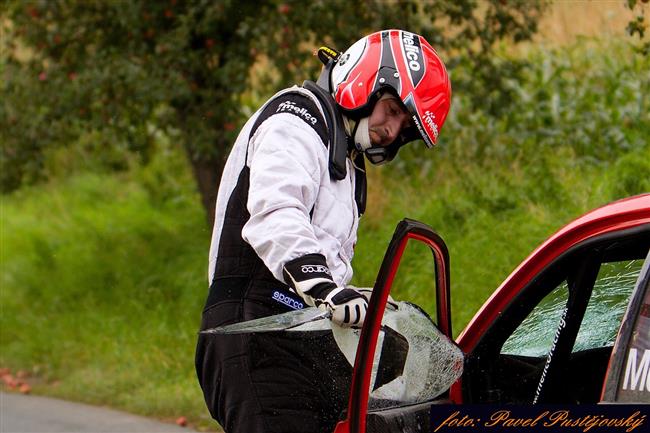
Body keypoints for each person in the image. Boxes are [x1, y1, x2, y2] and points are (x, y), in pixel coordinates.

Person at [195, 29, 451, 433]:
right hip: (251, 328)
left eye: (404, 125)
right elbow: (276, 211)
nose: (392, 129)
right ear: (367, 80)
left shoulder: (344, 156)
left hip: (295, 332)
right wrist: (322, 285)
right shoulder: (295, 119)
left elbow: (328, 260)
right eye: (393, 109)